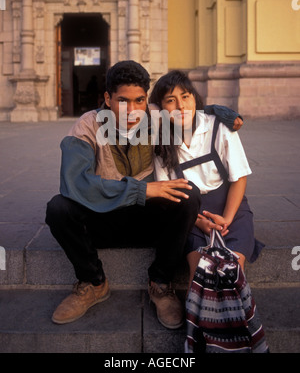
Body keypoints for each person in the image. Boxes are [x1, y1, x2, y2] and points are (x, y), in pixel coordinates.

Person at [45, 61, 243, 329]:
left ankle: (161, 283)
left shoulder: (153, 115)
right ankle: (93, 283)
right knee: (58, 208)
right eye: (122, 101)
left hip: (147, 223)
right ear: (107, 98)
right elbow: (74, 183)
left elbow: (185, 109)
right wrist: (143, 189)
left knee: (188, 193)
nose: (132, 110)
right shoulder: (87, 126)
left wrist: (223, 113)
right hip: (102, 219)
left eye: (139, 100)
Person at [149, 70, 264, 288]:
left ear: (195, 97)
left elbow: (239, 178)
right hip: (190, 214)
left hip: (230, 207)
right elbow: (168, 193)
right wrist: (199, 221)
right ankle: (201, 318)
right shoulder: (160, 143)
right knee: (201, 274)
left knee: (233, 271)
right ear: (161, 108)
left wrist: (227, 220)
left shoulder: (218, 126)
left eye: (185, 96)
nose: (181, 106)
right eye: (171, 101)